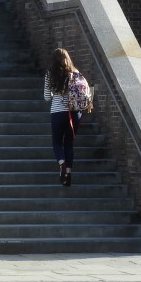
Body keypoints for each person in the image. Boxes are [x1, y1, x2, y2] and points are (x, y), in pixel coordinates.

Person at [43, 47, 83, 188]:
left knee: (57, 143)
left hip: (58, 112)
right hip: (74, 112)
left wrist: (56, 93)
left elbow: (47, 97)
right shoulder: (76, 73)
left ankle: (62, 163)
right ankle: (68, 174)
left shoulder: (50, 74)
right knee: (69, 143)